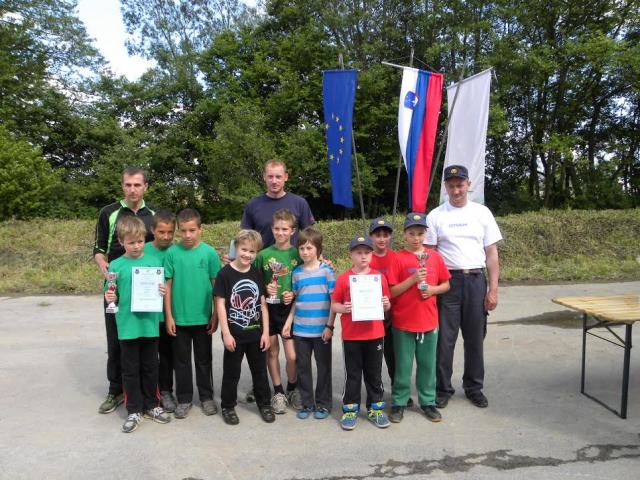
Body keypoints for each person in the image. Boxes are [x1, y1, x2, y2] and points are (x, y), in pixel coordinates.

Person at [426, 165, 502, 409]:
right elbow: (430, 255)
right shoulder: (436, 215)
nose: (456, 190)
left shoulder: (482, 213)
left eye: (460, 185)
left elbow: (491, 253)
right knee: (444, 340)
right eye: (451, 185)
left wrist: (493, 289)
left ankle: (473, 387)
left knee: (475, 338)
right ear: (446, 187)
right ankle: (442, 388)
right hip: (448, 283)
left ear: (468, 184)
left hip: (476, 281)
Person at [93, 167, 156, 414]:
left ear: (145, 187)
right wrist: (107, 273)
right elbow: (99, 250)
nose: (132, 189)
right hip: (116, 290)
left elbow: (160, 250)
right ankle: (115, 391)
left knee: (147, 342)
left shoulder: (153, 215)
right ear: (122, 186)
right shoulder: (108, 212)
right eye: (128, 184)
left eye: (137, 185)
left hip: (147, 290)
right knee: (116, 341)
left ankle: (149, 394)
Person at [103, 216, 170, 433]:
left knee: (151, 367)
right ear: (122, 241)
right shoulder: (115, 265)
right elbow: (111, 293)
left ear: (144, 239)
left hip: (149, 324)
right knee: (130, 370)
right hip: (127, 327)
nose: (136, 246)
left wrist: (162, 291)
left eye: (140, 241)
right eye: (131, 242)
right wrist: (111, 297)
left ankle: (152, 404)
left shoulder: (153, 262)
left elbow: (161, 288)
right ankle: (134, 409)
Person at [387, 213, 451, 423]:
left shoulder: (435, 256)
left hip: (429, 321)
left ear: (426, 234)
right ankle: (399, 401)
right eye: (411, 233)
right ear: (404, 235)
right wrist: (413, 279)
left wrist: (431, 290)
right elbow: (392, 291)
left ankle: (428, 401)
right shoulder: (397, 258)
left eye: (420, 233)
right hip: (403, 322)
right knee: (403, 365)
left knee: (427, 364)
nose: (416, 238)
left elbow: (446, 284)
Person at [164, 209, 221, 419]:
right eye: (183, 231)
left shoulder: (209, 253)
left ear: (200, 229)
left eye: (192, 230)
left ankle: (206, 397)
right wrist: (169, 315)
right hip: (179, 318)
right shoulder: (172, 253)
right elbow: (167, 286)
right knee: (181, 361)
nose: (187, 235)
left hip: (203, 317)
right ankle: (185, 398)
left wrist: (215, 314)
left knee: (203, 360)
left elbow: (217, 286)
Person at [214, 229, 276, 425]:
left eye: (252, 251)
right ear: (236, 248)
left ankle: (264, 403)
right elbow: (220, 304)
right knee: (232, 372)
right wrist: (226, 333)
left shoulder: (256, 273)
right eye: (244, 249)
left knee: (259, 371)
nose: (247, 254)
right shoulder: (225, 273)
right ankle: (228, 406)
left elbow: (263, 305)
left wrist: (266, 332)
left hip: (256, 334)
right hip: (235, 335)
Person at [331, 236, 392, 430]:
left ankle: (375, 408)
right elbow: (334, 305)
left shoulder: (379, 277)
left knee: (374, 374)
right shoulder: (344, 278)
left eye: (367, 252)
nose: (363, 256)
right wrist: (345, 308)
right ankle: (350, 409)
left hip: (374, 334)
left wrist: (385, 304)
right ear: (351, 255)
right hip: (352, 336)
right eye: (359, 253)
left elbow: (388, 303)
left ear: (372, 254)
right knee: (353, 374)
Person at [282, 227, 335, 420]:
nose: (305, 252)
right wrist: (289, 322)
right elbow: (297, 300)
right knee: (303, 367)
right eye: (302, 248)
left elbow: (333, 302)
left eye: (309, 248)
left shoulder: (327, 272)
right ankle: (307, 403)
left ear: (318, 249)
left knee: (323, 369)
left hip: (322, 330)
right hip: (301, 329)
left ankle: (323, 404)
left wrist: (330, 326)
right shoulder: (296, 273)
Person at [253, 209, 302, 413]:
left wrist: (293, 294)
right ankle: (278, 391)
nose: (280, 232)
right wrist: (266, 288)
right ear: (272, 229)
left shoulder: (298, 253)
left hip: (289, 310)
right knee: (272, 352)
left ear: (292, 231)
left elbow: (303, 280)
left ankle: (293, 387)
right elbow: (254, 282)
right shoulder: (263, 255)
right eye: (277, 228)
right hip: (268, 309)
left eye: (285, 229)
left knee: (292, 356)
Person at [143, 210, 177, 413]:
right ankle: (146, 392)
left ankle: (166, 391)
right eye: (161, 232)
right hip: (146, 315)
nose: (165, 237)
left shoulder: (176, 251)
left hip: (168, 316)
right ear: (152, 230)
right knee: (147, 356)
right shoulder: (142, 249)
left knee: (167, 356)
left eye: (170, 232)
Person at [240, 160, 315, 247]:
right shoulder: (252, 205)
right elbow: (244, 238)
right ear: (264, 177)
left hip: (292, 259)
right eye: (270, 177)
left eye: (278, 177)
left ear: (286, 177)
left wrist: (318, 256)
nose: (274, 181)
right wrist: (234, 254)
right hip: (261, 259)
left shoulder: (300, 203)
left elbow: (310, 236)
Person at [367, 218, 400, 392]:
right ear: (371, 237)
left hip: (394, 315)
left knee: (394, 356)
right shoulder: (366, 257)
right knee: (375, 356)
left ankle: (398, 389)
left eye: (385, 235)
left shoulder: (396, 257)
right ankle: (376, 391)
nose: (381, 239)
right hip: (372, 316)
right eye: (378, 235)